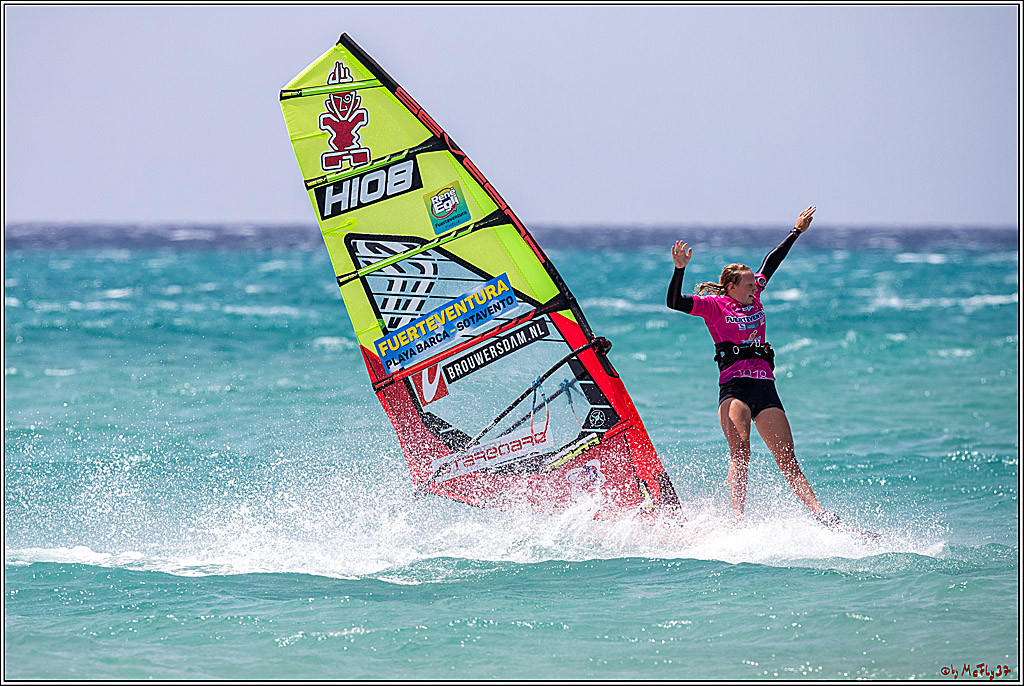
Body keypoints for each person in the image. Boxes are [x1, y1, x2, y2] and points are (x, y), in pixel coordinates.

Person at [666, 206, 840, 527]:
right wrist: (679, 270)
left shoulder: (755, 294)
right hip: (734, 388)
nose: (755, 288)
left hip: (765, 385)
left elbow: (771, 262)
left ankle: (820, 514)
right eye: (748, 285)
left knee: (787, 458)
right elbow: (674, 302)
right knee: (741, 453)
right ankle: (738, 521)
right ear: (731, 287)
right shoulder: (714, 306)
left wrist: (796, 231)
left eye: (754, 285)